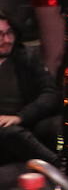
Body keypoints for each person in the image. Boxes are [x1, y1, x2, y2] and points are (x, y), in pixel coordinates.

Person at [0, 11, 60, 166]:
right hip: (4, 129)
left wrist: (21, 116)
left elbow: (50, 93)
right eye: (0, 35)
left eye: (9, 33)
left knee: (57, 125)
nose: (7, 40)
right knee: (11, 133)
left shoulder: (26, 58)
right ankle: (60, 168)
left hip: (26, 119)